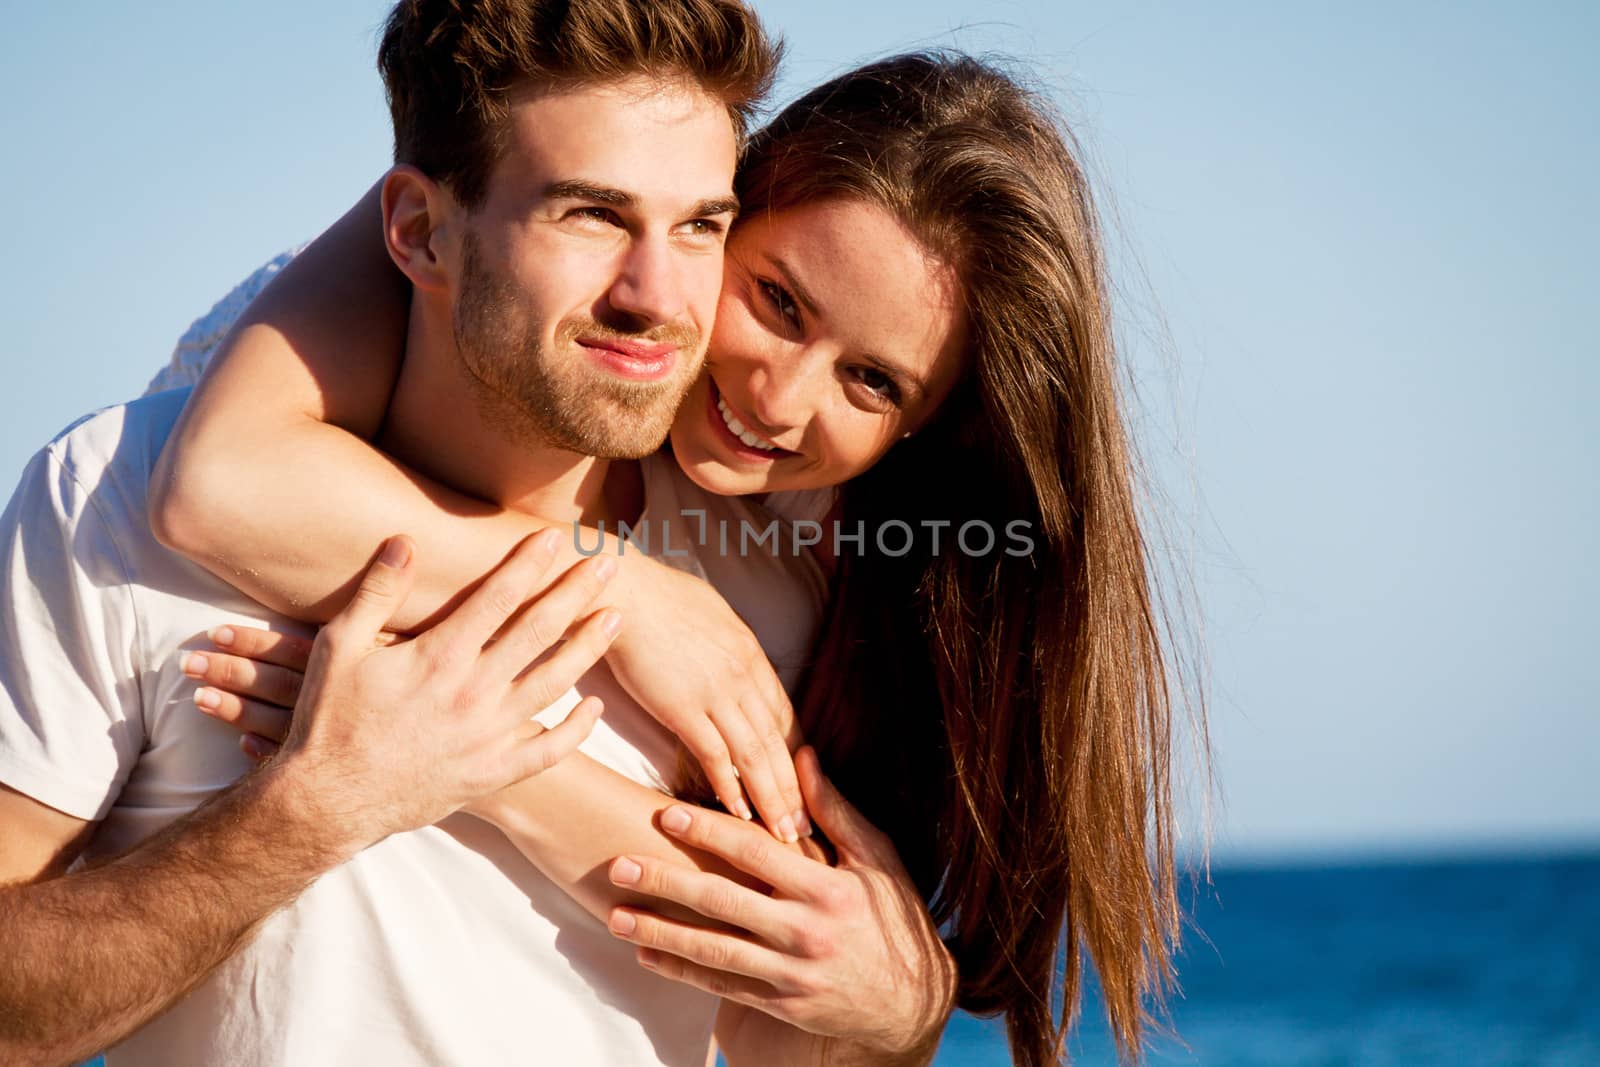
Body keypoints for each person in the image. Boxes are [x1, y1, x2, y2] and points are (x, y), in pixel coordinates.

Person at [154, 47, 1199, 1067]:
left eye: (874, 383)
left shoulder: (857, 562)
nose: (778, 399)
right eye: (779, 302)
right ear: (721, 207)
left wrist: (907, 1004)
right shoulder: (437, 288)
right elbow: (224, 482)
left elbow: (788, 945)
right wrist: (615, 586)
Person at [0, 2, 797, 1065]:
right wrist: (309, 811)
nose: (657, 296)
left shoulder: (771, 581)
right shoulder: (115, 490)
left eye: (701, 223)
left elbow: (827, 1020)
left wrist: (909, 1006)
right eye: (591, 216)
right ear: (419, 231)